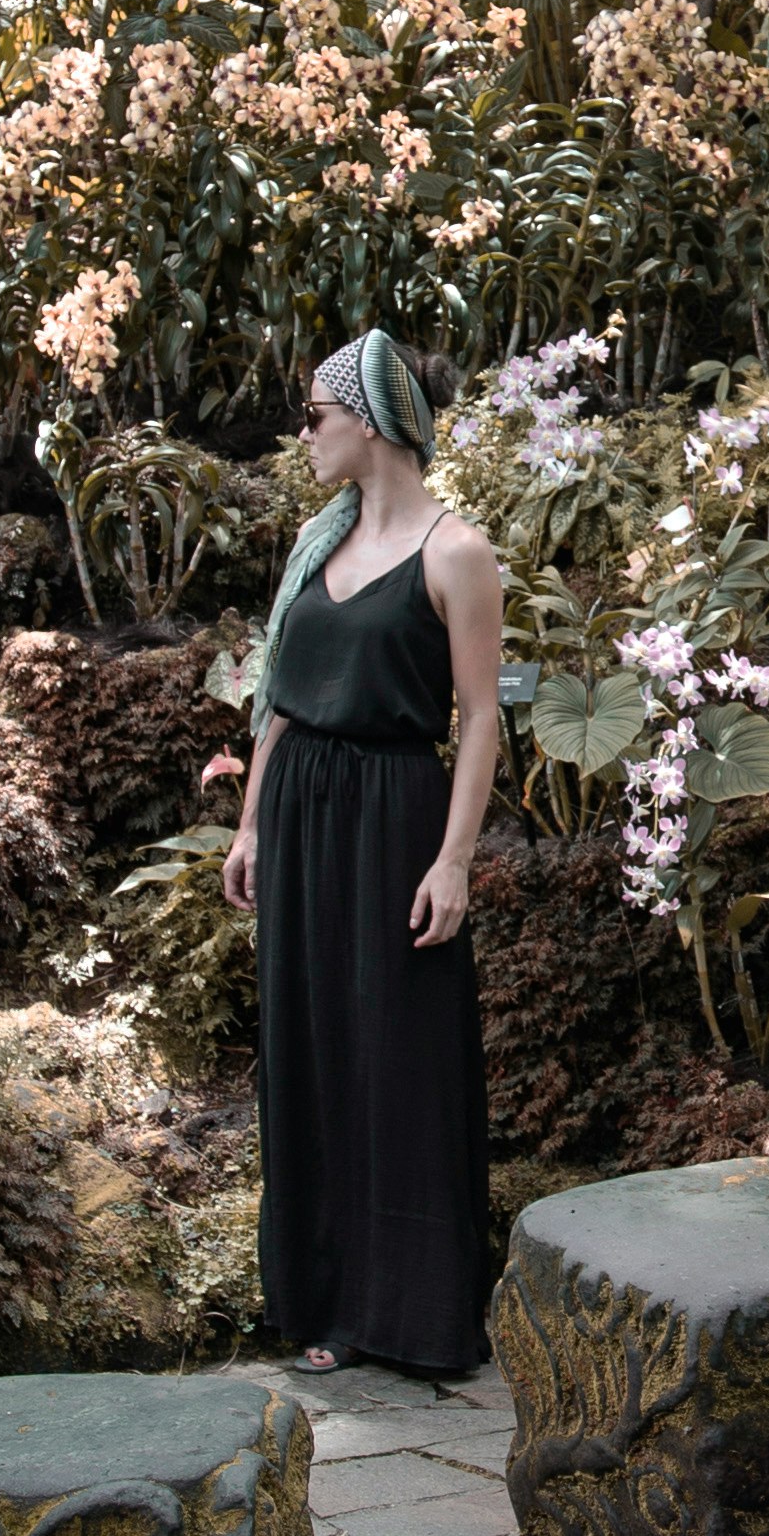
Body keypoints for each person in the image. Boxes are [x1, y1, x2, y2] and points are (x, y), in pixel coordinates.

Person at [226, 331, 504, 1377]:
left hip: (395, 817)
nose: (304, 434)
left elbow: (476, 718)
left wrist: (455, 859)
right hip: (299, 818)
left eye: (315, 415)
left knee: (401, 1051)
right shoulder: (319, 546)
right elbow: (280, 708)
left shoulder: (455, 554)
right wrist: (251, 825)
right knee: (313, 1046)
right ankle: (326, 1302)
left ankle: (411, 1313)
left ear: (374, 424)